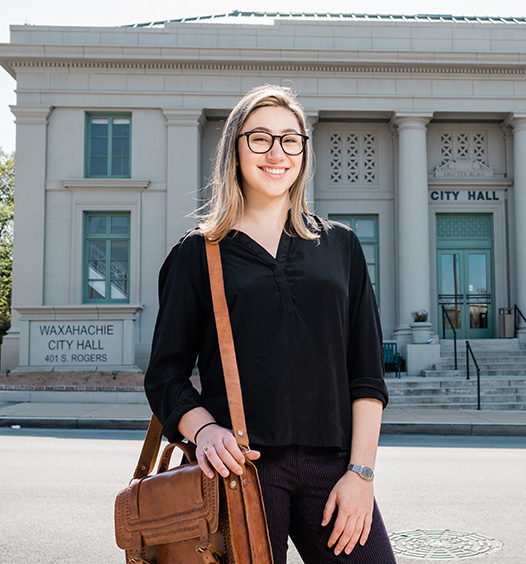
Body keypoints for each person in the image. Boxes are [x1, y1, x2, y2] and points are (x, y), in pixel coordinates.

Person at [145, 84, 397, 563]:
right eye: (259, 138)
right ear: (234, 150)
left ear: (303, 150)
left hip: (333, 466)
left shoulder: (341, 246)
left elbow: (367, 374)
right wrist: (204, 431)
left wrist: (361, 474)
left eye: (290, 139)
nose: (276, 152)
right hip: (243, 470)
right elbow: (165, 375)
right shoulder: (197, 254)